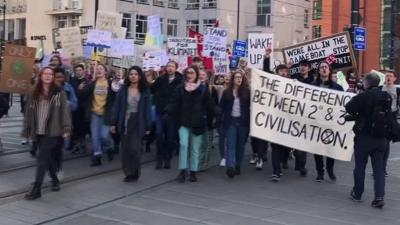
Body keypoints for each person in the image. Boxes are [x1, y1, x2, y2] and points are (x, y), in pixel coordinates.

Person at [23, 67, 72, 200]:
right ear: (41, 75)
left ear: (53, 77)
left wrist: (66, 128)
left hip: (53, 130)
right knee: (48, 158)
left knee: (41, 157)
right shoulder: (34, 91)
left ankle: (37, 188)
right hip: (39, 130)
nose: (48, 76)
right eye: (45, 73)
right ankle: (55, 180)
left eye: (50, 74)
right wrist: (27, 130)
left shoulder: (59, 92)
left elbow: (64, 112)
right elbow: (28, 113)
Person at [166, 65, 219, 182]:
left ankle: (193, 171)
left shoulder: (203, 89)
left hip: (198, 123)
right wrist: (168, 111)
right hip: (183, 122)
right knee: (184, 145)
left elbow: (210, 104)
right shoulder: (181, 88)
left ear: (196, 75)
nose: (189, 75)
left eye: (192, 73)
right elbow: (174, 102)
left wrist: (217, 113)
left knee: (195, 148)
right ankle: (183, 170)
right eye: (188, 73)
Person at [345, 72, 390, 209]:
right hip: (381, 137)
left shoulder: (363, 96)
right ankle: (379, 197)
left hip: (364, 137)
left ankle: (357, 194)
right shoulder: (386, 96)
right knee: (379, 169)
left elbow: (349, 107)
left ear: (366, 83)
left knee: (360, 167)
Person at [111, 66, 151, 182]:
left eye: (135, 74)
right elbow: (117, 106)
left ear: (139, 76)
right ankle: (129, 172)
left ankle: (135, 170)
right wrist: (113, 123)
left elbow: (147, 109)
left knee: (135, 148)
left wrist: (148, 125)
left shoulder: (144, 90)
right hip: (125, 121)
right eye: (131, 74)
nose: (133, 76)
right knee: (126, 149)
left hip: (138, 121)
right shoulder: (123, 89)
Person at [311, 62, 343, 182]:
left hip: (331, 122)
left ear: (329, 70)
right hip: (317, 121)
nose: (324, 69)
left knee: (331, 148)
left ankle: (330, 169)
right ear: (318, 71)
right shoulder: (312, 86)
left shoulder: (337, 87)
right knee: (317, 148)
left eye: (326, 67)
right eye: (321, 67)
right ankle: (320, 172)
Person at [151, 61, 183, 169]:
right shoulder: (160, 79)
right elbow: (152, 90)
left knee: (170, 137)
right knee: (159, 135)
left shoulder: (180, 81)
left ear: (176, 68)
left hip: (173, 114)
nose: (170, 68)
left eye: (172, 66)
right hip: (160, 111)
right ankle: (159, 157)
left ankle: (168, 156)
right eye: (168, 66)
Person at [220, 70, 251, 178]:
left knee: (240, 146)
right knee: (231, 144)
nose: (238, 79)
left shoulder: (247, 92)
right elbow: (221, 108)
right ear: (233, 79)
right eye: (236, 77)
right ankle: (231, 167)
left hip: (243, 122)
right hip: (231, 121)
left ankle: (238, 164)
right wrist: (219, 120)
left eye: (240, 77)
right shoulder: (226, 92)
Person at [85, 64, 115, 166]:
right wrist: (88, 83)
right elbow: (84, 92)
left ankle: (110, 146)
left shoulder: (110, 84)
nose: (98, 70)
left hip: (106, 114)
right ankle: (97, 156)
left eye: (101, 69)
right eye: (97, 69)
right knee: (95, 136)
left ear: (105, 72)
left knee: (103, 136)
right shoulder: (93, 83)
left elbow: (116, 96)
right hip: (94, 113)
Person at [290, 59, 314, 176]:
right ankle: (298, 161)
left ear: (309, 68)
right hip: (295, 114)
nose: (303, 68)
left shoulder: (313, 81)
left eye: (305, 66)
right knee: (296, 141)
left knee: (303, 142)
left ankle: (301, 166)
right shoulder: (295, 78)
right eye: (301, 66)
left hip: (307, 115)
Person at [198, 69, 219, 171]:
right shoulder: (192, 87)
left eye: (203, 74)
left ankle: (204, 162)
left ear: (207, 77)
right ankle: (197, 161)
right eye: (200, 74)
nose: (201, 76)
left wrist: (215, 117)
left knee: (207, 142)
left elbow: (215, 105)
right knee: (198, 143)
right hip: (196, 120)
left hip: (208, 120)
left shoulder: (211, 89)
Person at [380, 70, 399, 177]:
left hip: (391, 118)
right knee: (381, 144)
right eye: (387, 76)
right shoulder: (379, 89)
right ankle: (379, 168)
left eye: (390, 76)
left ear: (394, 78)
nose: (388, 78)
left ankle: (382, 168)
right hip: (380, 119)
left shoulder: (397, 90)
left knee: (386, 144)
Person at [70, 64, 91, 154]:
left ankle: (82, 144)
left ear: (83, 71)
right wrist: (78, 89)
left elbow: (88, 95)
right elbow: (73, 94)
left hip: (84, 108)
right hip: (75, 108)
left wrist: (82, 90)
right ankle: (77, 144)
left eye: (80, 70)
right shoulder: (72, 81)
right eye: (77, 70)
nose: (78, 72)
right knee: (75, 126)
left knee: (83, 127)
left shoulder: (87, 81)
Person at [144, 70, 158, 152]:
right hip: (145, 107)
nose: (147, 77)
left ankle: (148, 143)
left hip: (153, 108)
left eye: (149, 75)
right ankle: (145, 141)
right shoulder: (143, 85)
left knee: (152, 126)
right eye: (146, 75)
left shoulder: (155, 84)